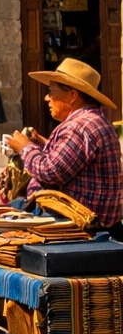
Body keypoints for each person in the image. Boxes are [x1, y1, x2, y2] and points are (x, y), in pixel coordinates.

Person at [9, 57, 123, 237]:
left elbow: (50, 172)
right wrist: (41, 143)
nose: (47, 98)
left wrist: (25, 148)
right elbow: (74, 159)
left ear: (72, 95)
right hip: (97, 220)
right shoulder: (91, 120)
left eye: (51, 92)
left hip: (83, 224)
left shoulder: (79, 126)